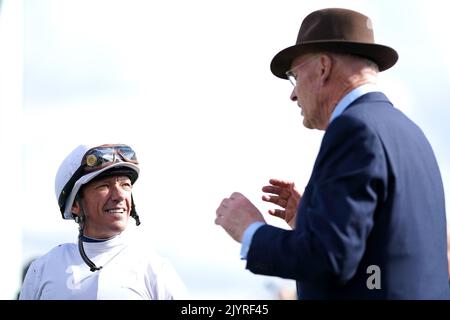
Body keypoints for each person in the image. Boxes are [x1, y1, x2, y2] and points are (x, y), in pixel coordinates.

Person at [215, 8, 449, 299]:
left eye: (294, 75)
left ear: (323, 67)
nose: (293, 93)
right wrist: (311, 223)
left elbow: (329, 260)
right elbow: (382, 255)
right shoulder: (411, 133)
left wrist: (250, 231)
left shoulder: (354, 129)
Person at [19, 143, 186, 299]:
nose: (119, 196)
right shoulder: (42, 269)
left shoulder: (155, 270)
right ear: (75, 204)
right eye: (104, 186)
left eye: (125, 185)